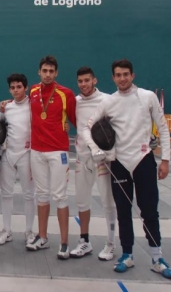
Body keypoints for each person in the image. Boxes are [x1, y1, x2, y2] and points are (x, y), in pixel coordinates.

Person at [83, 59, 171, 280]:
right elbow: (87, 127)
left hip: (143, 160)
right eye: (118, 75)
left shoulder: (147, 97)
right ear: (113, 78)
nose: (122, 78)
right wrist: (95, 148)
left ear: (132, 76)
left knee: (149, 211)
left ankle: (157, 257)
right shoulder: (110, 102)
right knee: (123, 212)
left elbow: (163, 128)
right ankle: (127, 254)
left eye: (126, 74)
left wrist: (165, 160)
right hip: (119, 164)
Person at [25, 55, 76, 259]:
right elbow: (22, 106)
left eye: (51, 71)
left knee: (60, 196)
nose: (47, 74)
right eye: (44, 71)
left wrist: (68, 126)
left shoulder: (66, 94)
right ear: (39, 72)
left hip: (58, 152)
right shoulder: (33, 91)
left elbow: (76, 119)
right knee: (42, 194)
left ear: (56, 73)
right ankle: (42, 237)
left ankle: (64, 242)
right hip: (37, 150)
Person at [69, 67, 116, 260]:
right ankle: (84, 242)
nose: (84, 84)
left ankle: (111, 244)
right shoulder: (75, 102)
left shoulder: (107, 100)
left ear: (94, 80)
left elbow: (116, 128)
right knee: (82, 201)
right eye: (80, 81)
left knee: (108, 202)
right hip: (82, 158)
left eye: (87, 80)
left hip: (103, 160)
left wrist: (109, 153)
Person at [0, 74, 36, 246]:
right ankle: (6, 230)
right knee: (6, 194)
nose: (16, 90)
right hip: (8, 155)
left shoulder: (33, 105)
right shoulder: (6, 108)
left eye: (19, 87)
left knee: (29, 194)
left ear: (25, 88)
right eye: (12, 87)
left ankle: (29, 231)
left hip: (27, 154)